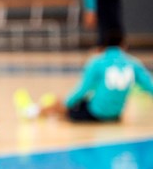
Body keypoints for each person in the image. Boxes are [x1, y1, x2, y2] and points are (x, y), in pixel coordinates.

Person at [15, 32, 153, 122]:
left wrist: (65, 105)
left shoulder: (98, 62)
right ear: (124, 45)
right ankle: (44, 112)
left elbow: (81, 90)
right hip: (116, 115)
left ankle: (32, 111)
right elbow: (149, 86)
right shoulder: (134, 63)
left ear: (102, 46)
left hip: (96, 113)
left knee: (59, 103)